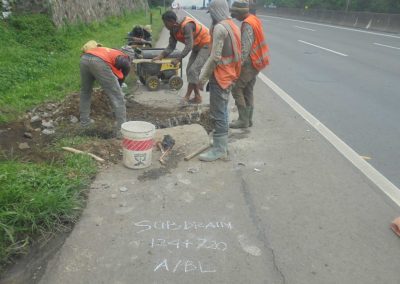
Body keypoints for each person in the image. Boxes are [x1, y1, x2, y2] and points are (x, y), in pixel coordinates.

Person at [197, 0, 241, 161]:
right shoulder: (233, 25)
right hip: (231, 74)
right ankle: (220, 143)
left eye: (212, 13)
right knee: (223, 109)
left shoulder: (220, 28)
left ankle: (220, 149)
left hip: (220, 76)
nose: (212, 17)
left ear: (216, 11)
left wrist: (202, 78)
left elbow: (215, 58)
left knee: (219, 112)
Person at [153, 10, 211, 104]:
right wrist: (160, 56)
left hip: (206, 45)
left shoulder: (186, 26)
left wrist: (178, 58)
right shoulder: (173, 30)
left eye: (165, 23)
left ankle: (187, 97)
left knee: (193, 70)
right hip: (197, 46)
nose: (165, 25)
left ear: (171, 21)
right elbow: (171, 46)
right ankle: (197, 97)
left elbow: (189, 46)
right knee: (189, 71)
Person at [229, 0, 269, 129]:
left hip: (251, 62)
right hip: (258, 61)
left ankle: (243, 120)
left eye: (235, 14)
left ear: (240, 13)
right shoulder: (254, 19)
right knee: (248, 89)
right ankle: (248, 119)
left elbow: (245, 49)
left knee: (236, 88)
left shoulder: (247, 24)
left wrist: (237, 66)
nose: (234, 17)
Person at [79, 40, 132, 137]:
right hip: (99, 62)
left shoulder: (109, 51)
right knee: (118, 97)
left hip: (84, 59)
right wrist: (118, 87)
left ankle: (84, 123)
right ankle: (121, 131)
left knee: (85, 92)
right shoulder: (125, 58)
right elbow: (123, 74)